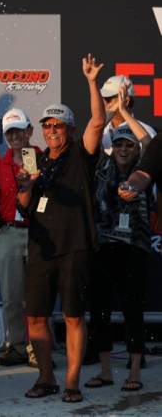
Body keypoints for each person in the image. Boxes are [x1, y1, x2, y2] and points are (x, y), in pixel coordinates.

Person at [16, 54, 106, 404]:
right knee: (35, 316)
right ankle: (46, 378)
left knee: (72, 316)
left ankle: (72, 383)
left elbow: (98, 122)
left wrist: (91, 81)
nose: (52, 131)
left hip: (75, 246)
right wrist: (26, 183)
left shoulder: (81, 154)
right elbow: (23, 205)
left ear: (69, 129)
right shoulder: (32, 158)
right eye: (47, 126)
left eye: (58, 125)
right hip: (41, 247)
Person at [84, 124, 153, 393]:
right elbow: (95, 134)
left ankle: (134, 372)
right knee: (99, 311)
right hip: (103, 247)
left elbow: (149, 142)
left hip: (135, 248)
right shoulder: (103, 166)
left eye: (129, 144)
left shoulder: (147, 168)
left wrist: (124, 111)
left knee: (132, 311)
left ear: (136, 149)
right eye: (120, 144)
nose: (124, 149)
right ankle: (105, 372)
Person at [0, 108, 40, 367]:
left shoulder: (36, 156)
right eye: (10, 132)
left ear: (29, 131)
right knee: (10, 296)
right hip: (7, 231)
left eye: (19, 130)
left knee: (36, 295)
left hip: (36, 232)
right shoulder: (1, 161)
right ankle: (16, 346)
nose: (15, 136)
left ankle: (36, 347)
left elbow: (34, 190)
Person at [98, 75, 156, 155]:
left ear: (126, 101)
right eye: (102, 98)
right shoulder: (99, 131)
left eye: (108, 99)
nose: (103, 103)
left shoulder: (148, 132)